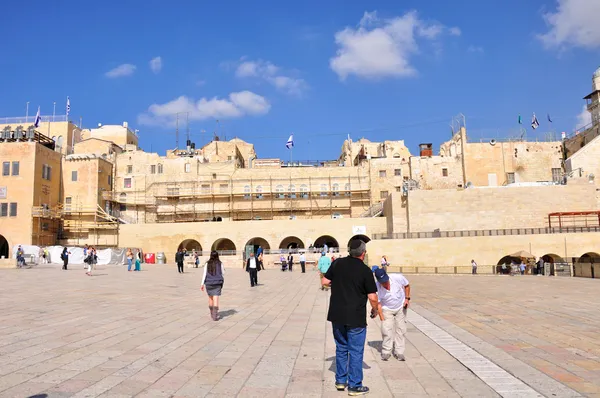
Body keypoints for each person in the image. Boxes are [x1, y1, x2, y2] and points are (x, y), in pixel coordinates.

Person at [321, 239, 378, 396]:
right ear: (363, 253)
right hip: (356, 317)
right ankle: (354, 385)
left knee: (341, 348)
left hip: (337, 315)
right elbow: (373, 297)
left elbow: (325, 281)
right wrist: (375, 310)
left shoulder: (337, 263)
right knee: (355, 351)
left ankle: (340, 381)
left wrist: (338, 284)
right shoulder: (365, 271)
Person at [374, 268, 410, 361]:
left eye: (386, 281)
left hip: (400, 307)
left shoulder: (397, 278)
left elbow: (407, 285)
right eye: (382, 282)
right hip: (386, 309)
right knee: (386, 330)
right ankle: (386, 351)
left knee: (401, 330)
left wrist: (407, 298)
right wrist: (382, 318)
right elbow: (378, 303)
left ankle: (399, 352)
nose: (385, 283)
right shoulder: (376, 286)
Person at [201, 251, 225, 321]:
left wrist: (202, 284)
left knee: (210, 298)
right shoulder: (220, 264)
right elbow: (223, 273)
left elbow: (204, 274)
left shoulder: (207, 264)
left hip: (208, 283)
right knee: (216, 298)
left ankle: (212, 313)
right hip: (217, 283)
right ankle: (215, 315)